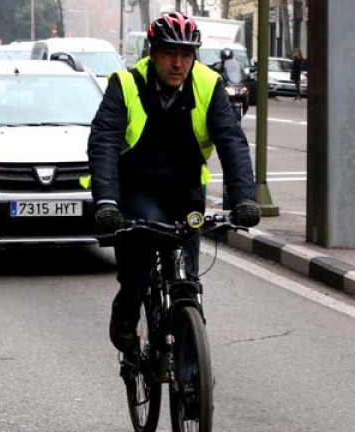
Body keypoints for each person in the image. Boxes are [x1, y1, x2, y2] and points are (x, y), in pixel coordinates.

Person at [87, 11, 261, 353]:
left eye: (186, 55)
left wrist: (244, 198)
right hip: (136, 191)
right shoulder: (125, 86)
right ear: (153, 53)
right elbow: (104, 142)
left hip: (184, 193)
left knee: (186, 282)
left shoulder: (209, 86)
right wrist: (107, 201)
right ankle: (126, 313)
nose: (178, 63)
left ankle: (189, 366)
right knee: (137, 271)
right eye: (170, 53)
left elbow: (232, 142)